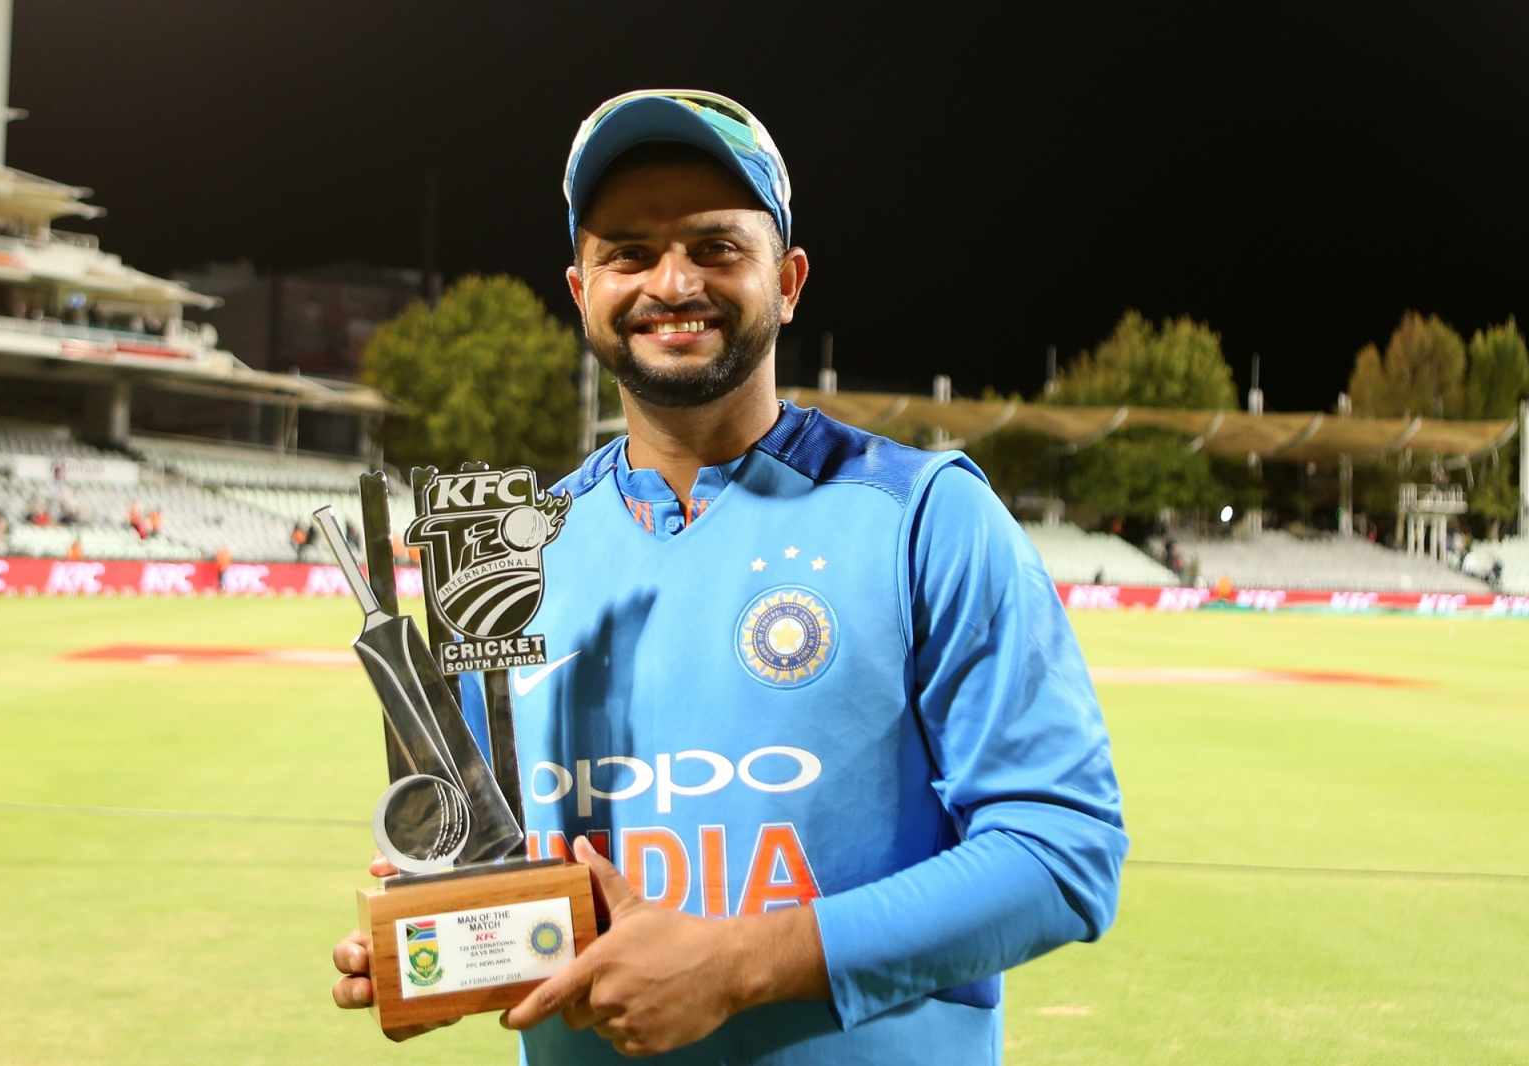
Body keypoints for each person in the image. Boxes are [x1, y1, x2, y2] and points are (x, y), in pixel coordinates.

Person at [331, 90, 1125, 1064]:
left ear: (786, 280)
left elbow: (1062, 853)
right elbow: (498, 864)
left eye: (715, 248)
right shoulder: (506, 554)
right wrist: (450, 939)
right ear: (580, 290)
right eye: (626, 251)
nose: (671, 281)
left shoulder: (927, 514)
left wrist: (742, 963)